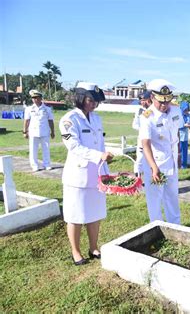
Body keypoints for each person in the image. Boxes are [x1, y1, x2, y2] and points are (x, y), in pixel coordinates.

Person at [59, 82, 114, 265]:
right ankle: (75, 251)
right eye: (91, 100)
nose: (94, 104)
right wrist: (100, 156)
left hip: (96, 174)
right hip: (78, 175)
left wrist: (105, 171)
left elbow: (100, 145)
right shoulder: (68, 120)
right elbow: (73, 146)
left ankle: (93, 247)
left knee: (95, 213)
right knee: (75, 215)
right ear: (81, 97)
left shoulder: (96, 118)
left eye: (96, 101)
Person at [139, 79, 184, 223]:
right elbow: (145, 143)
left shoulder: (176, 110)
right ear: (152, 97)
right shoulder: (147, 116)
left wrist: (178, 154)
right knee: (155, 200)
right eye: (161, 102)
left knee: (172, 197)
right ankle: (156, 228)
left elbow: (177, 132)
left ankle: (175, 228)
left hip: (171, 161)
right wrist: (153, 167)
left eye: (167, 101)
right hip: (155, 162)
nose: (165, 105)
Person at [23, 90, 55, 171]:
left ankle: (47, 164)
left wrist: (53, 131)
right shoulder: (29, 109)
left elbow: (50, 120)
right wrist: (25, 132)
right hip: (33, 132)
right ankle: (34, 166)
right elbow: (26, 121)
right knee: (33, 150)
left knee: (46, 149)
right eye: (33, 98)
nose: (34, 99)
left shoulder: (47, 109)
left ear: (40, 98)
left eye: (36, 97)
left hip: (44, 131)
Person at [132, 91, 152, 175]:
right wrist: (143, 129)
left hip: (153, 139)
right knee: (140, 159)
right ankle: (137, 176)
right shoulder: (139, 110)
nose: (142, 102)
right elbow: (134, 124)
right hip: (142, 138)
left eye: (144, 100)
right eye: (141, 100)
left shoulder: (154, 109)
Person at [178, 101, 190, 169]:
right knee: (179, 150)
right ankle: (178, 164)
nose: (186, 111)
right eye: (185, 109)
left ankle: (184, 165)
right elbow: (176, 125)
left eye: (187, 109)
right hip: (179, 136)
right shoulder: (178, 116)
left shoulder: (189, 115)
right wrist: (184, 125)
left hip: (185, 136)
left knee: (185, 151)